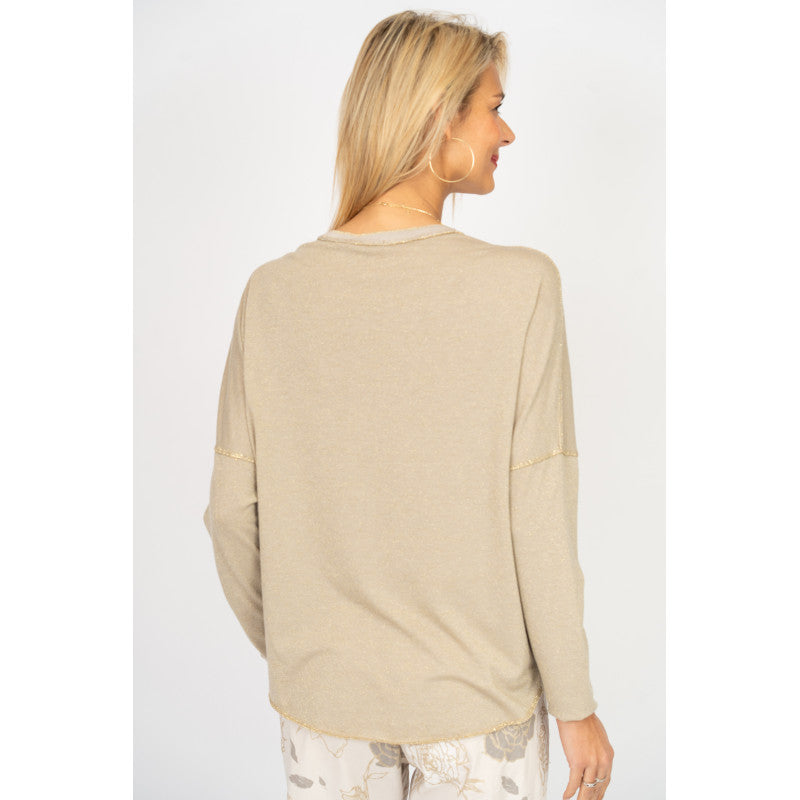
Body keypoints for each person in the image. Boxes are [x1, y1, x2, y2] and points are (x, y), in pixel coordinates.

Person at [202, 10, 615, 799]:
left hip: (323, 706)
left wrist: (307, 651)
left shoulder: (272, 294)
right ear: (439, 116)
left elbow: (230, 514)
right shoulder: (521, 287)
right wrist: (576, 704)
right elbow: (538, 512)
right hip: (476, 705)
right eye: (493, 107)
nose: (507, 132)